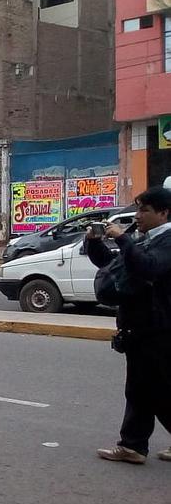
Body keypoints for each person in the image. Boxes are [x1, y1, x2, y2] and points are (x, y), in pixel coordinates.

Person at [87, 186, 171, 465]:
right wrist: (95, 243)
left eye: (144, 210)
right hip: (140, 327)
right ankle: (133, 445)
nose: (138, 216)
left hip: (159, 329)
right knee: (141, 390)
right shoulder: (146, 238)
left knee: (157, 390)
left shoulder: (167, 241)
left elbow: (149, 268)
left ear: (164, 213)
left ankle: (133, 444)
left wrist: (123, 239)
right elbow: (117, 267)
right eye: (138, 209)